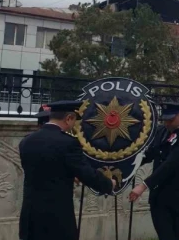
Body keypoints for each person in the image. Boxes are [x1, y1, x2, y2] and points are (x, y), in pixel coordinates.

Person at [19, 100, 116, 240]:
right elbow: (86, 173)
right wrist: (108, 184)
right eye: (74, 120)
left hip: (30, 214)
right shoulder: (68, 143)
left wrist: (70, 174)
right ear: (68, 118)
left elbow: (44, 168)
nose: (74, 125)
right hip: (56, 217)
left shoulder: (26, 141)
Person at [129, 102, 179, 240]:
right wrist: (128, 165)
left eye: (171, 120)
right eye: (165, 120)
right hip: (159, 198)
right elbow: (150, 154)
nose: (167, 123)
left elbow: (170, 164)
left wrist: (143, 185)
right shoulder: (161, 132)